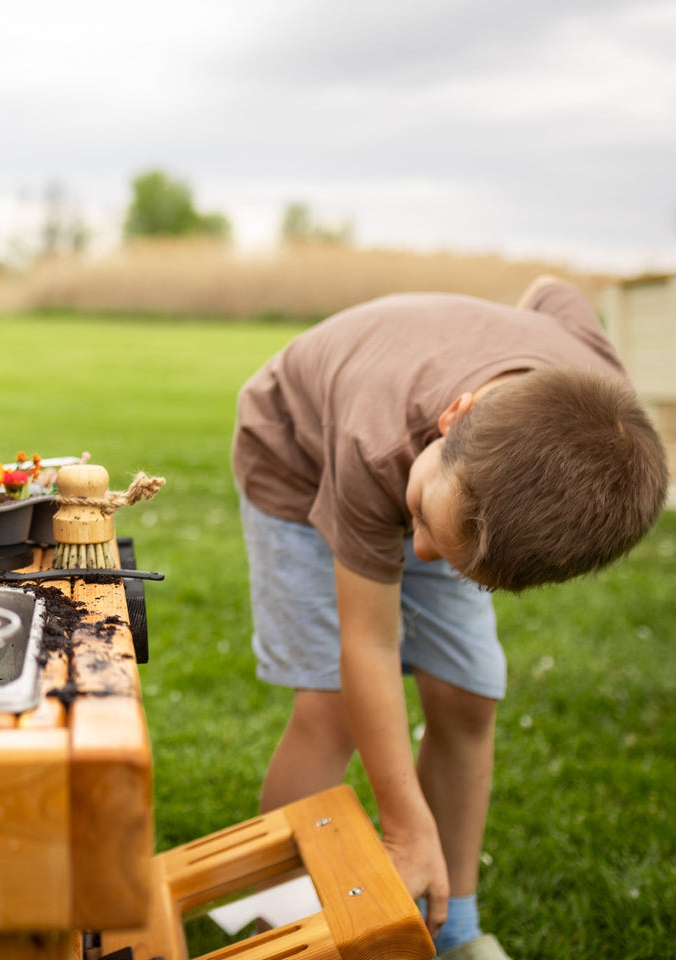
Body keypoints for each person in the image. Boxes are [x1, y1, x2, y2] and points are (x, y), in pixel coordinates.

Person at [231, 276, 668, 960]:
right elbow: (368, 644)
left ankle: (451, 924)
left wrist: (446, 520)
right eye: (426, 535)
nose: (422, 556)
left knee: (467, 694)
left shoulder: (567, 422)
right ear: (454, 415)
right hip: (296, 457)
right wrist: (403, 825)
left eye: (452, 561)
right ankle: (280, 930)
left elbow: (554, 293)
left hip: (444, 483)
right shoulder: (376, 441)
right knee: (329, 705)